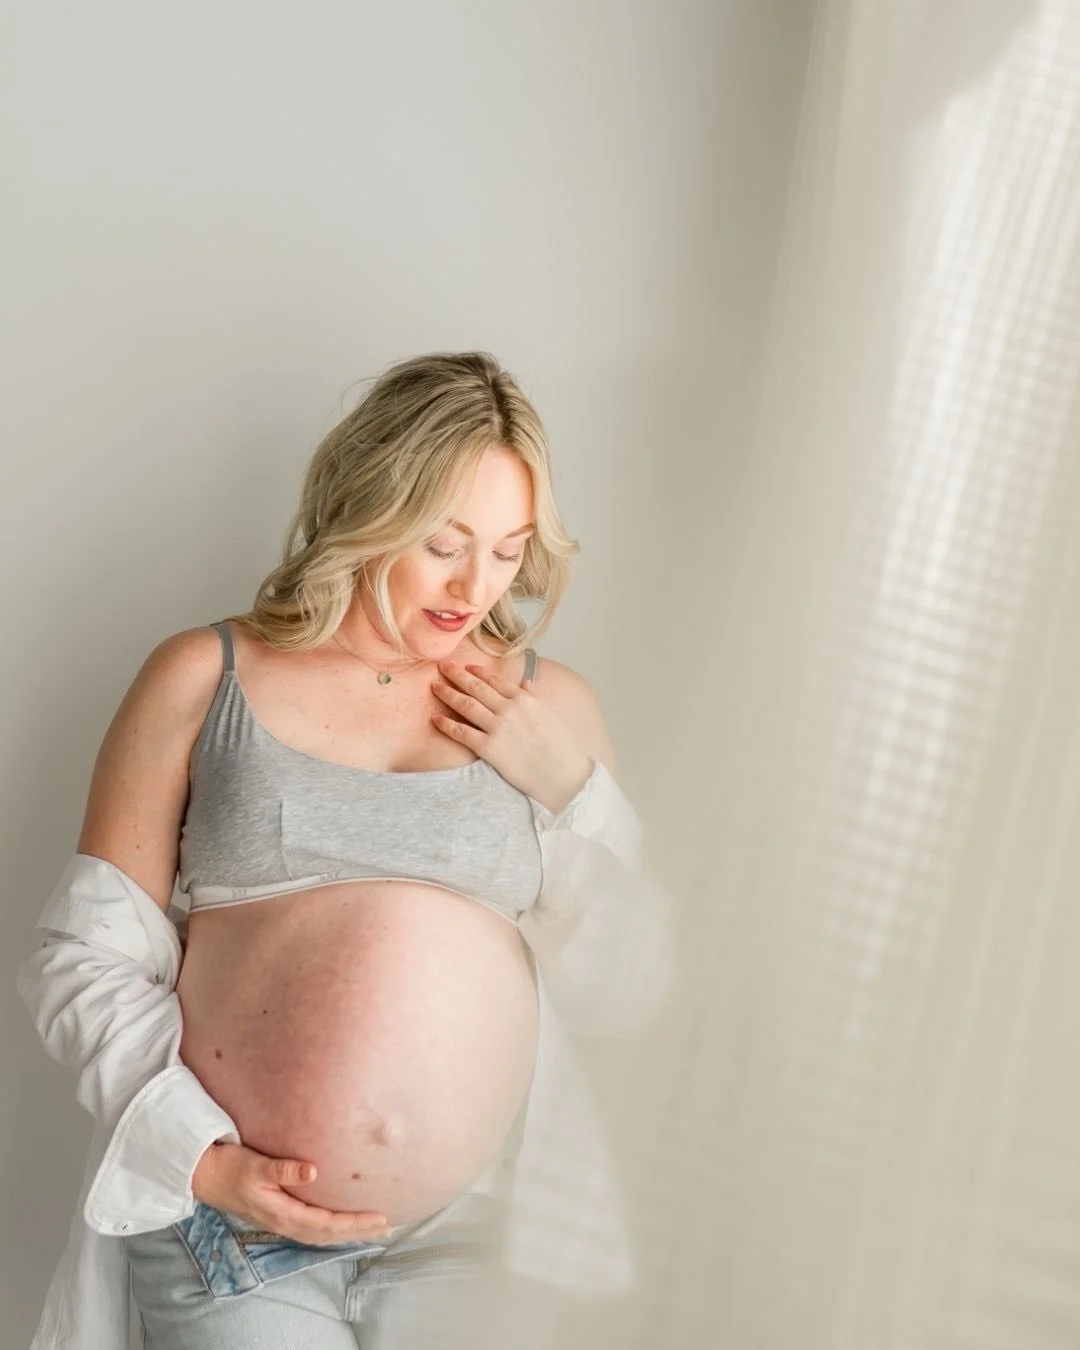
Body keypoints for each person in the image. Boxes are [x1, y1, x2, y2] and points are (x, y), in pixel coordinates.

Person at [17, 351, 676, 1350]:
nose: (476, 585)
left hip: (472, 1237)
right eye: (445, 544)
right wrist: (196, 1158)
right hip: (233, 1228)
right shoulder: (204, 677)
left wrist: (569, 786)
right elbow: (82, 959)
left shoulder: (549, 709)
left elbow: (632, 992)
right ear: (369, 507)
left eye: (508, 552)